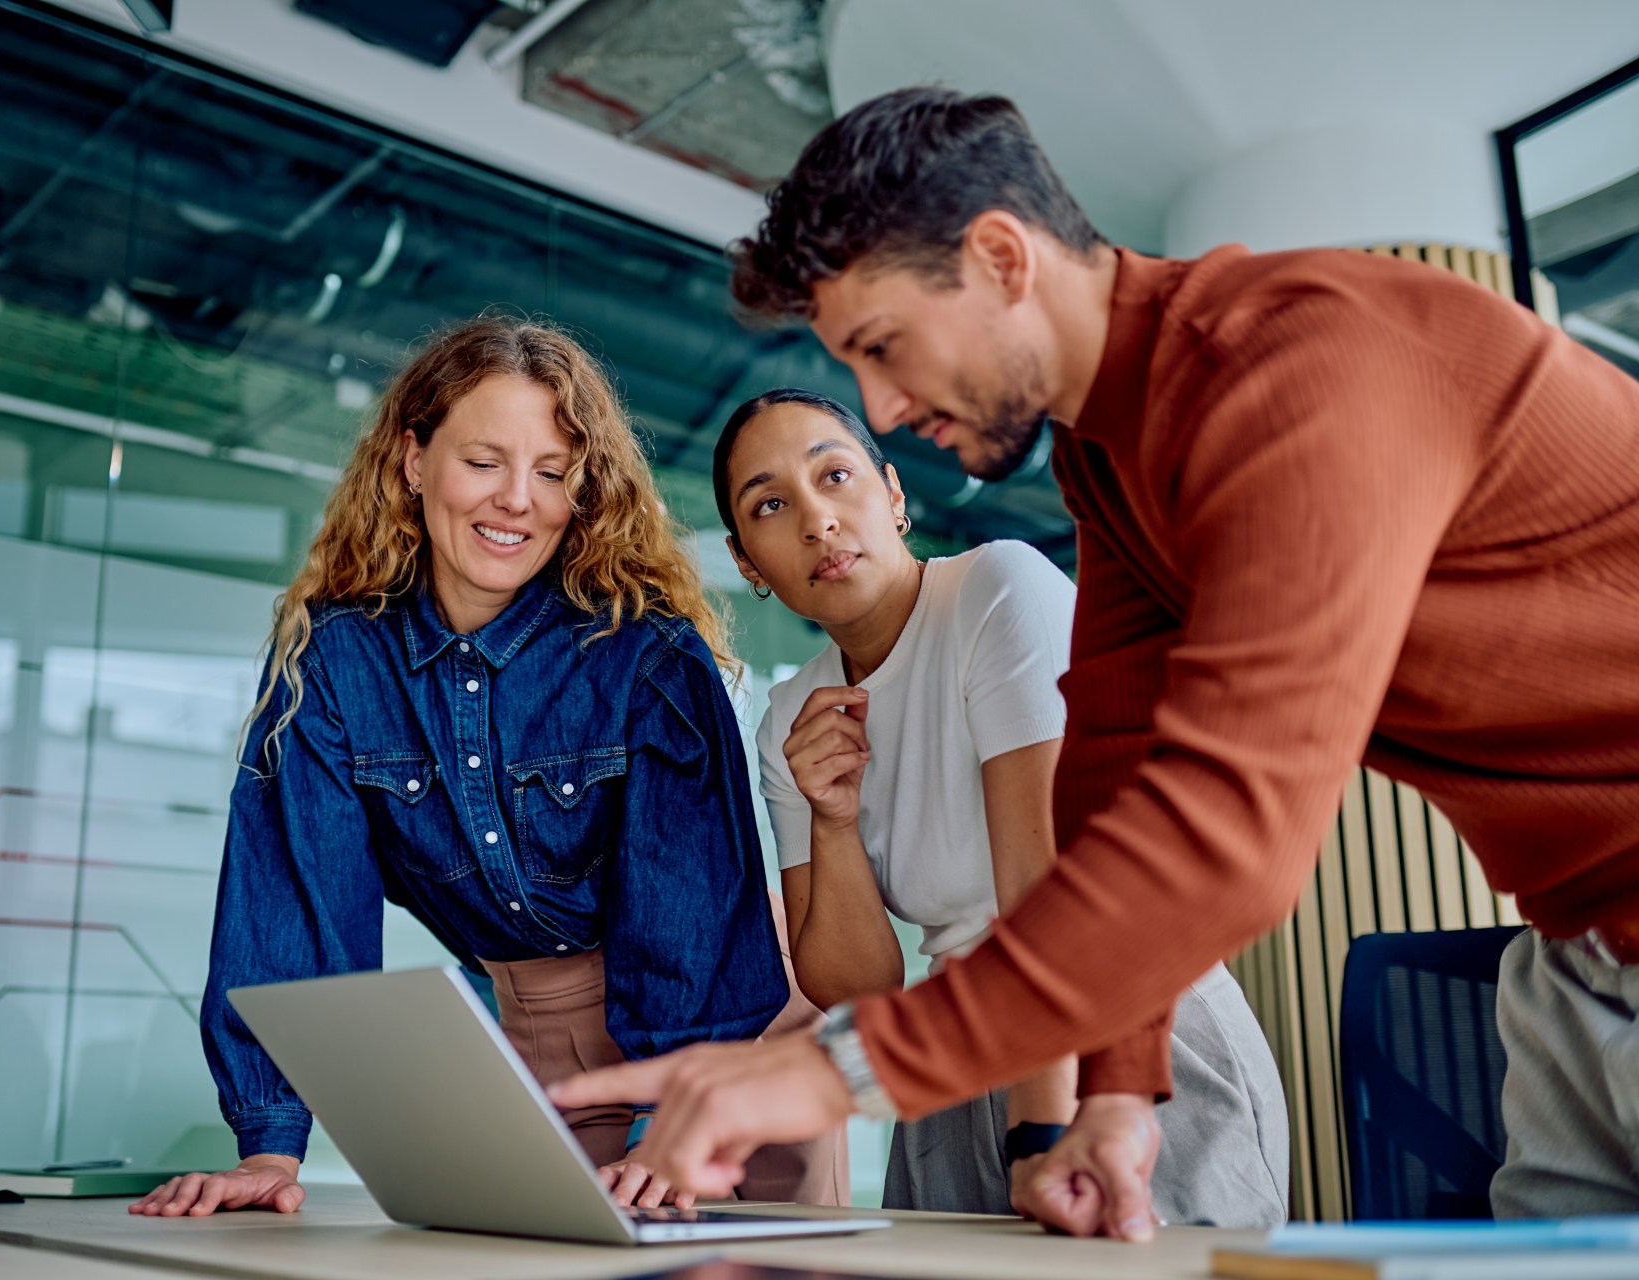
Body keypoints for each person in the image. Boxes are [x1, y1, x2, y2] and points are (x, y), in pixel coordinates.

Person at [551, 87, 1639, 1239]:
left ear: (1001, 256)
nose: (883, 404)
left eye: (883, 347)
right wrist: (1118, 1091)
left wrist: (833, 1074)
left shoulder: (1292, 369)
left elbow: (1228, 833)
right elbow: (1113, 784)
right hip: (1572, 950)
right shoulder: (1111, 459)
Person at [130, 316, 844, 1219]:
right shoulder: (336, 663)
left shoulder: (648, 660)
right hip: (533, 1031)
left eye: (551, 473)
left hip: (723, 1030)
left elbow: (690, 914)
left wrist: (672, 1119)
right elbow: (295, 903)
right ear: (412, 460)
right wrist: (271, 1149)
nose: (517, 500)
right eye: (483, 462)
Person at [717, 386, 1289, 1225]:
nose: (816, 520)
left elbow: (1046, 900)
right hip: (956, 1060)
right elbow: (858, 986)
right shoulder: (791, 720)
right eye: (771, 504)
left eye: (834, 476)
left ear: (893, 494)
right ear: (745, 562)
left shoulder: (998, 588)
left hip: (1120, 1035)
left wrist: (1039, 1133)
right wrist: (833, 819)